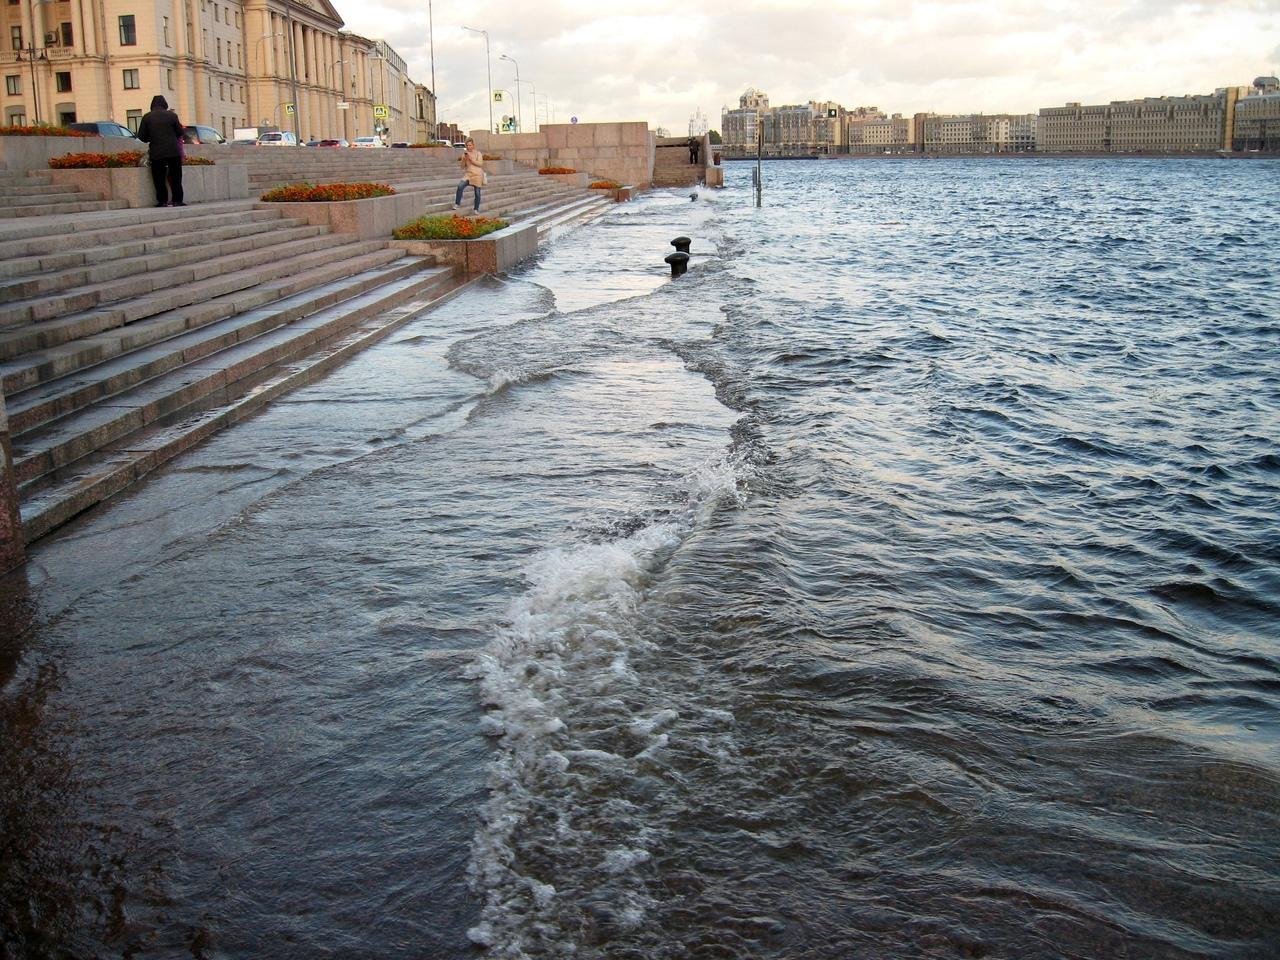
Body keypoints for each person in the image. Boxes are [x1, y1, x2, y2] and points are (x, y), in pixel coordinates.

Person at [136, 95, 186, 207]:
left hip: (157, 152)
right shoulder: (172, 116)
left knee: (159, 177)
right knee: (176, 176)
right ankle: (177, 200)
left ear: (152, 105)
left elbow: (142, 137)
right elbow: (180, 132)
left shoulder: (147, 117)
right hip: (173, 151)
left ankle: (162, 201)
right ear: (165, 104)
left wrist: (152, 137)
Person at [454, 138, 485, 213]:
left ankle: (476, 209)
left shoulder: (478, 153)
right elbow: (462, 167)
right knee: (460, 186)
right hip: (468, 174)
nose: (468, 147)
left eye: (470, 145)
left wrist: (471, 159)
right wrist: (464, 160)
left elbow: (480, 164)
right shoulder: (465, 154)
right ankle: (457, 204)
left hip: (477, 174)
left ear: (473, 145)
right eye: (467, 145)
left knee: (477, 193)